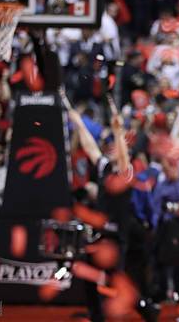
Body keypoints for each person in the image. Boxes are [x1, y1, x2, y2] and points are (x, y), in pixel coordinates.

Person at [67, 95, 133, 322]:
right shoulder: (104, 166)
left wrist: (118, 129)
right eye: (109, 146)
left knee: (112, 284)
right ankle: (97, 317)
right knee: (89, 277)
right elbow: (89, 145)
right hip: (99, 235)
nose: (111, 149)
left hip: (116, 238)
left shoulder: (127, 172)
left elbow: (123, 157)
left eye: (115, 146)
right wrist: (77, 121)